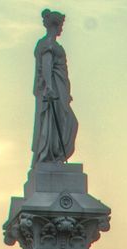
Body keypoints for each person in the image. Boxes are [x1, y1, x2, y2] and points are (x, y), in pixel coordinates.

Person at [31, 9, 78, 165]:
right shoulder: (47, 44)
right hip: (53, 92)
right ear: (55, 26)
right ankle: (51, 155)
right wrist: (49, 88)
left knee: (67, 122)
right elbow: (46, 65)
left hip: (61, 91)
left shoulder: (53, 44)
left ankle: (56, 156)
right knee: (62, 122)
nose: (62, 29)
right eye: (61, 26)